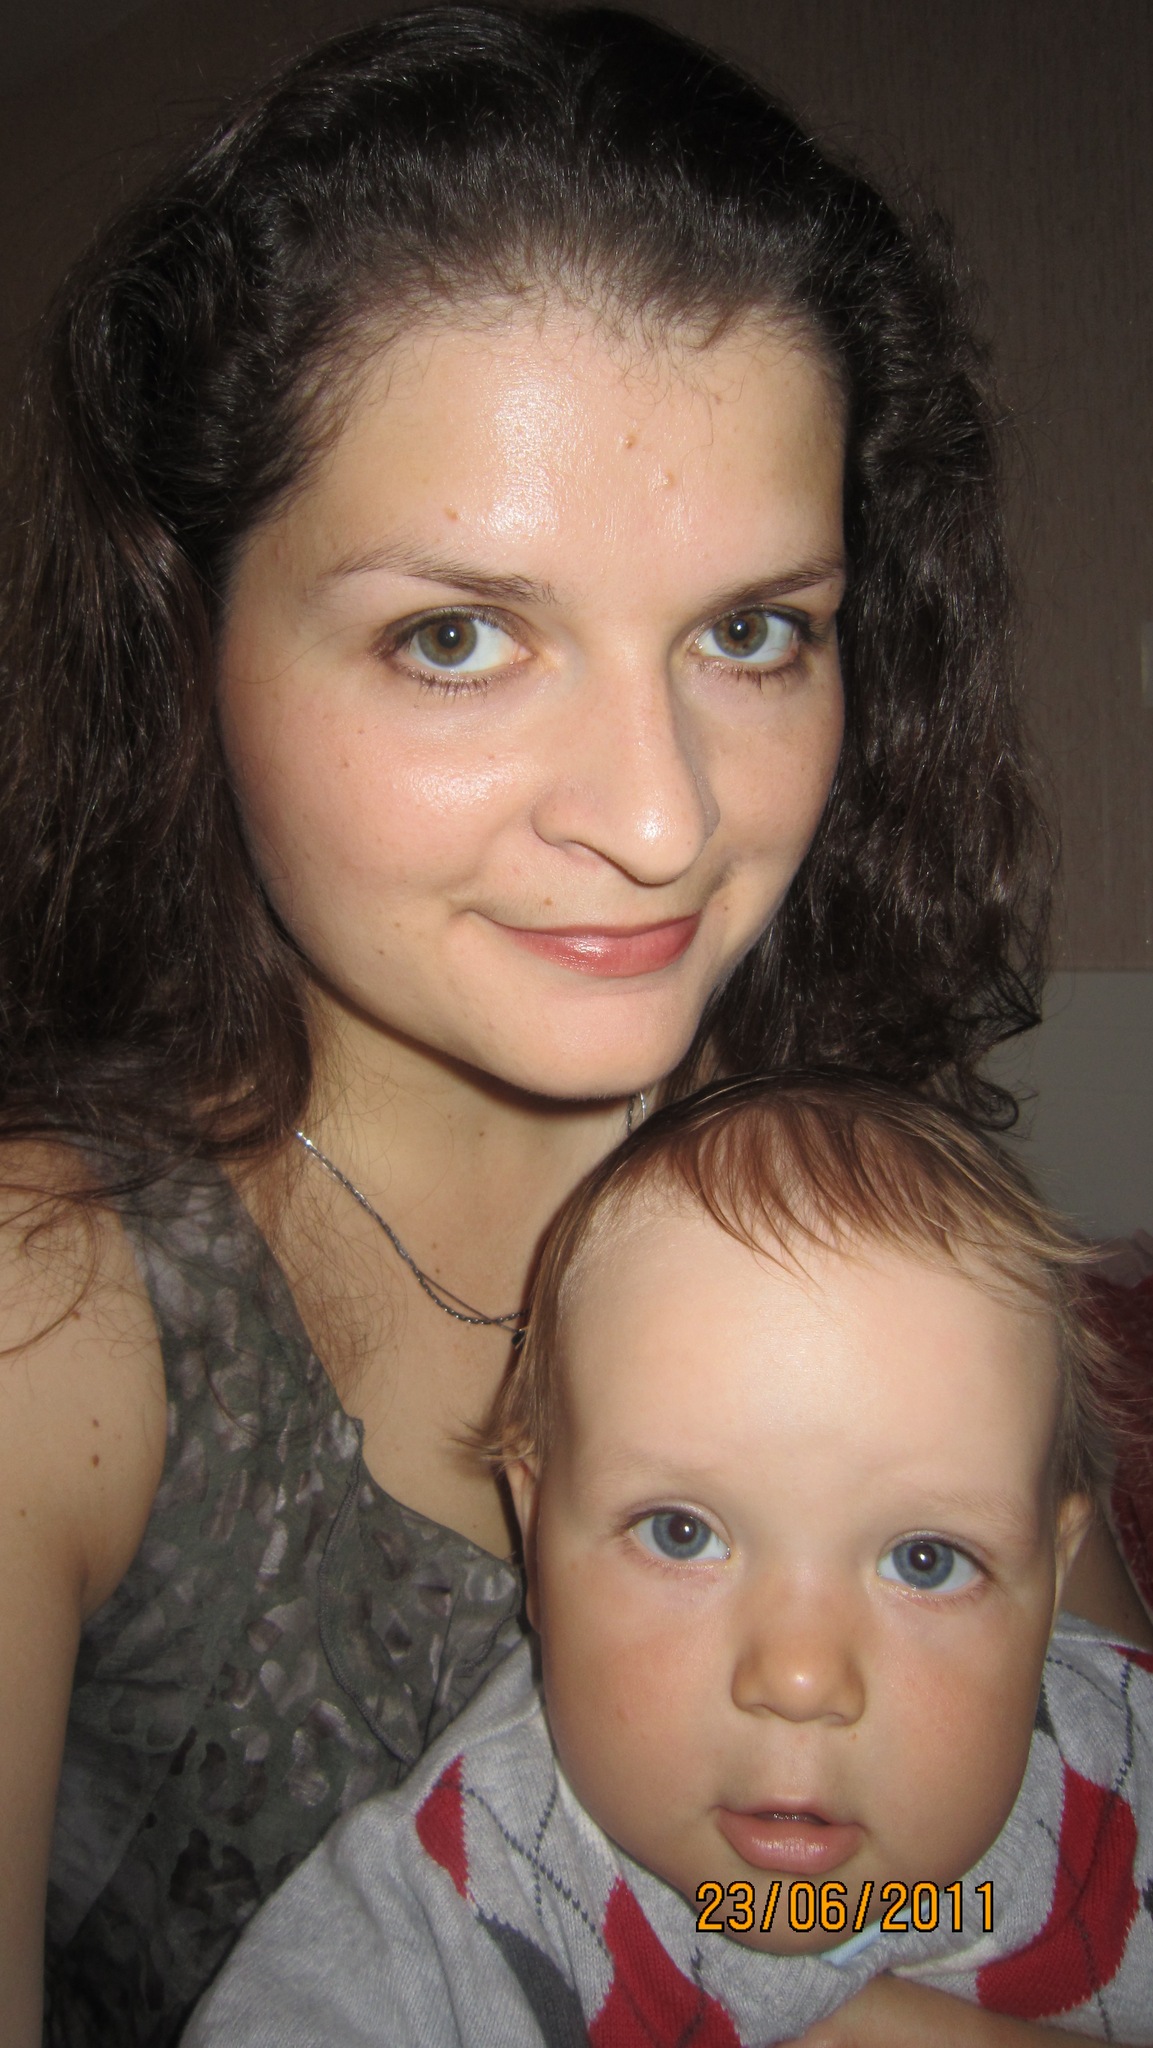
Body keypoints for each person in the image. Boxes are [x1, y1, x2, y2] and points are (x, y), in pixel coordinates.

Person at [0, 4, 1146, 2043]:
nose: (661, 819)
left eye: (751, 631)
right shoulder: (52, 1325)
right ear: (187, 641)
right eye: (456, 635)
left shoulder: (854, 1202)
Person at [183, 1075, 1153, 2047]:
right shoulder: (441, 1917)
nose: (800, 1677)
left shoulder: (1122, 1762)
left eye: (926, 1559)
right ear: (534, 1525)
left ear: (1051, 1578)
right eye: (681, 1532)